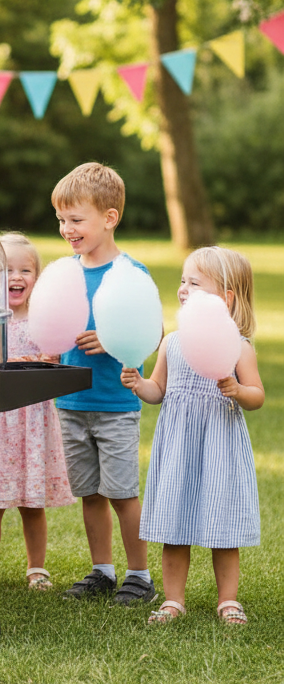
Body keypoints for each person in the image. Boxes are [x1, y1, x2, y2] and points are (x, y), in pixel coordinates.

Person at [122, 247, 263, 625]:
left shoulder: (239, 346)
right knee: (174, 523)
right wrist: (139, 383)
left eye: (195, 283)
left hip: (220, 446)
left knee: (224, 528)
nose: (183, 289)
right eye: (183, 281)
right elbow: (159, 391)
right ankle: (173, 600)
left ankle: (228, 600)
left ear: (225, 298)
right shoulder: (173, 343)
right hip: (179, 446)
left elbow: (257, 396)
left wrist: (236, 389)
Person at [51, 162, 156, 605]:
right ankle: (102, 571)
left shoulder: (131, 275)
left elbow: (152, 335)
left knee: (122, 494)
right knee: (89, 494)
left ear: (109, 218)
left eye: (76, 220)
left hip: (114, 405)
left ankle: (140, 576)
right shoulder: (64, 274)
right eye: (61, 220)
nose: (66, 229)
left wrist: (113, 340)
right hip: (71, 402)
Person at [0, 233, 75, 592]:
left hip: (32, 424)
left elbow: (55, 358)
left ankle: (36, 568)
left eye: (26, 270)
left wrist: (50, 357)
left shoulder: (43, 318)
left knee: (31, 501)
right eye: (7, 270)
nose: (17, 276)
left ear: (39, 279)